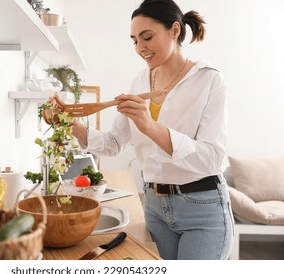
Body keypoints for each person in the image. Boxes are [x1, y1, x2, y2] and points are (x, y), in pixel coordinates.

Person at [70, 0, 234, 260]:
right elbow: (114, 142)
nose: (140, 48)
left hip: (202, 206)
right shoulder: (139, 81)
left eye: (147, 37)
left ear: (175, 30)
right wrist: (73, 125)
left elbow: (211, 158)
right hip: (156, 207)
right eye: (134, 40)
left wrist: (149, 125)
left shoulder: (209, 80)